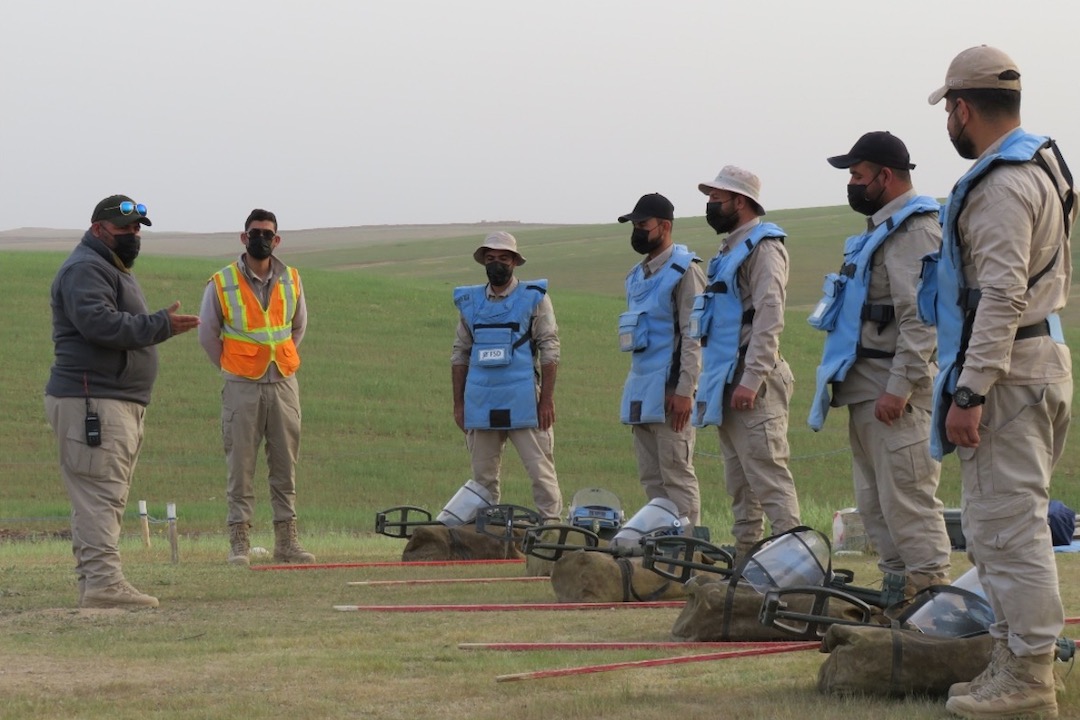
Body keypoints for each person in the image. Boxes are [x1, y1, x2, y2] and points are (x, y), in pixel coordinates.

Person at [926, 45, 1076, 719]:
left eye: (949, 112)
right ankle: (1016, 661)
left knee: (1005, 530)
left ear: (962, 108)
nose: (949, 125)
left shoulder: (1000, 185)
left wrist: (970, 391)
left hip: (1008, 376)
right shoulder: (1039, 166)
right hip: (1033, 364)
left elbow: (1002, 294)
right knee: (1003, 528)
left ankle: (1028, 680)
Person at [807, 131, 952, 601]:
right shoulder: (881, 231)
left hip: (894, 395)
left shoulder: (916, 230)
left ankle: (932, 604)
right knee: (876, 508)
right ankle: (899, 601)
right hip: (865, 390)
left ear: (884, 176)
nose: (851, 183)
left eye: (857, 174)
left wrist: (901, 386)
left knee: (907, 503)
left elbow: (921, 317)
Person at [45, 194, 200, 608]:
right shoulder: (86, 269)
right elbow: (99, 324)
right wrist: (159, 325)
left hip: (108, 399)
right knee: (101, 494)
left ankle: (95, 581)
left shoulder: (108, 267)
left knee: (99, 495)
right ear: (99, 229)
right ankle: (103, 585)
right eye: (125, 229)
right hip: (92, 401)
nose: (133, 236)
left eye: (136, 230)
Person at [690, 166, 801, 557]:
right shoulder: (729, 251)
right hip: (725, 378)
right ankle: (746, 556)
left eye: (716, 199)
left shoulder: (764, 246)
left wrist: (752, 379)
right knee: (739, 481)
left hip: (753, 379)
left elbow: (770, 315)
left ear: (740, 201)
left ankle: (796, 561)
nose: (710, 206)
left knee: (768, 476)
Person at [198, 209, 314, 566]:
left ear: (277, 240)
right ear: (243, 237)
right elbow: (208, 335)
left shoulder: (291, 278)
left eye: (267, 233)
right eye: (254, 232)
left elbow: (297, 328)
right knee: (241, 466)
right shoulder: (222, 282)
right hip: (242, 387)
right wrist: (233, 366)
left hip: (282, 383)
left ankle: (287, 543)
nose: (260, 238)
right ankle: (239, 543)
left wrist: (280, 358)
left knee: (285, 466)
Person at [451, 232, 563, 522]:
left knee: (540, 471)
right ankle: (486, 536)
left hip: (525, 400)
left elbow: (550, 351)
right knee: (482, 479)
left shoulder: (534, 297)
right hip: (481, 401)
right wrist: (459, 405)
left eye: (503, 258)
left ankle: (550, 530)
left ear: (514, 261)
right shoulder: (469, 301)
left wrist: (546, 401)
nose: (496, 263)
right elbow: (460, 354)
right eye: (490, 259)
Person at [615, 193, 705, 526]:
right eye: (635, 225)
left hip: (671, 395)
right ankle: (659, 545)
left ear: (664, 226)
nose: (637, 231)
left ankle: (688, 552)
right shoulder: (635, 277)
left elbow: (693, 335)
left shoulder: (686, 271)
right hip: (640, 390)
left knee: (677, 477)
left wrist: (685, 390)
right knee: (652, 481)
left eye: (643, 225)